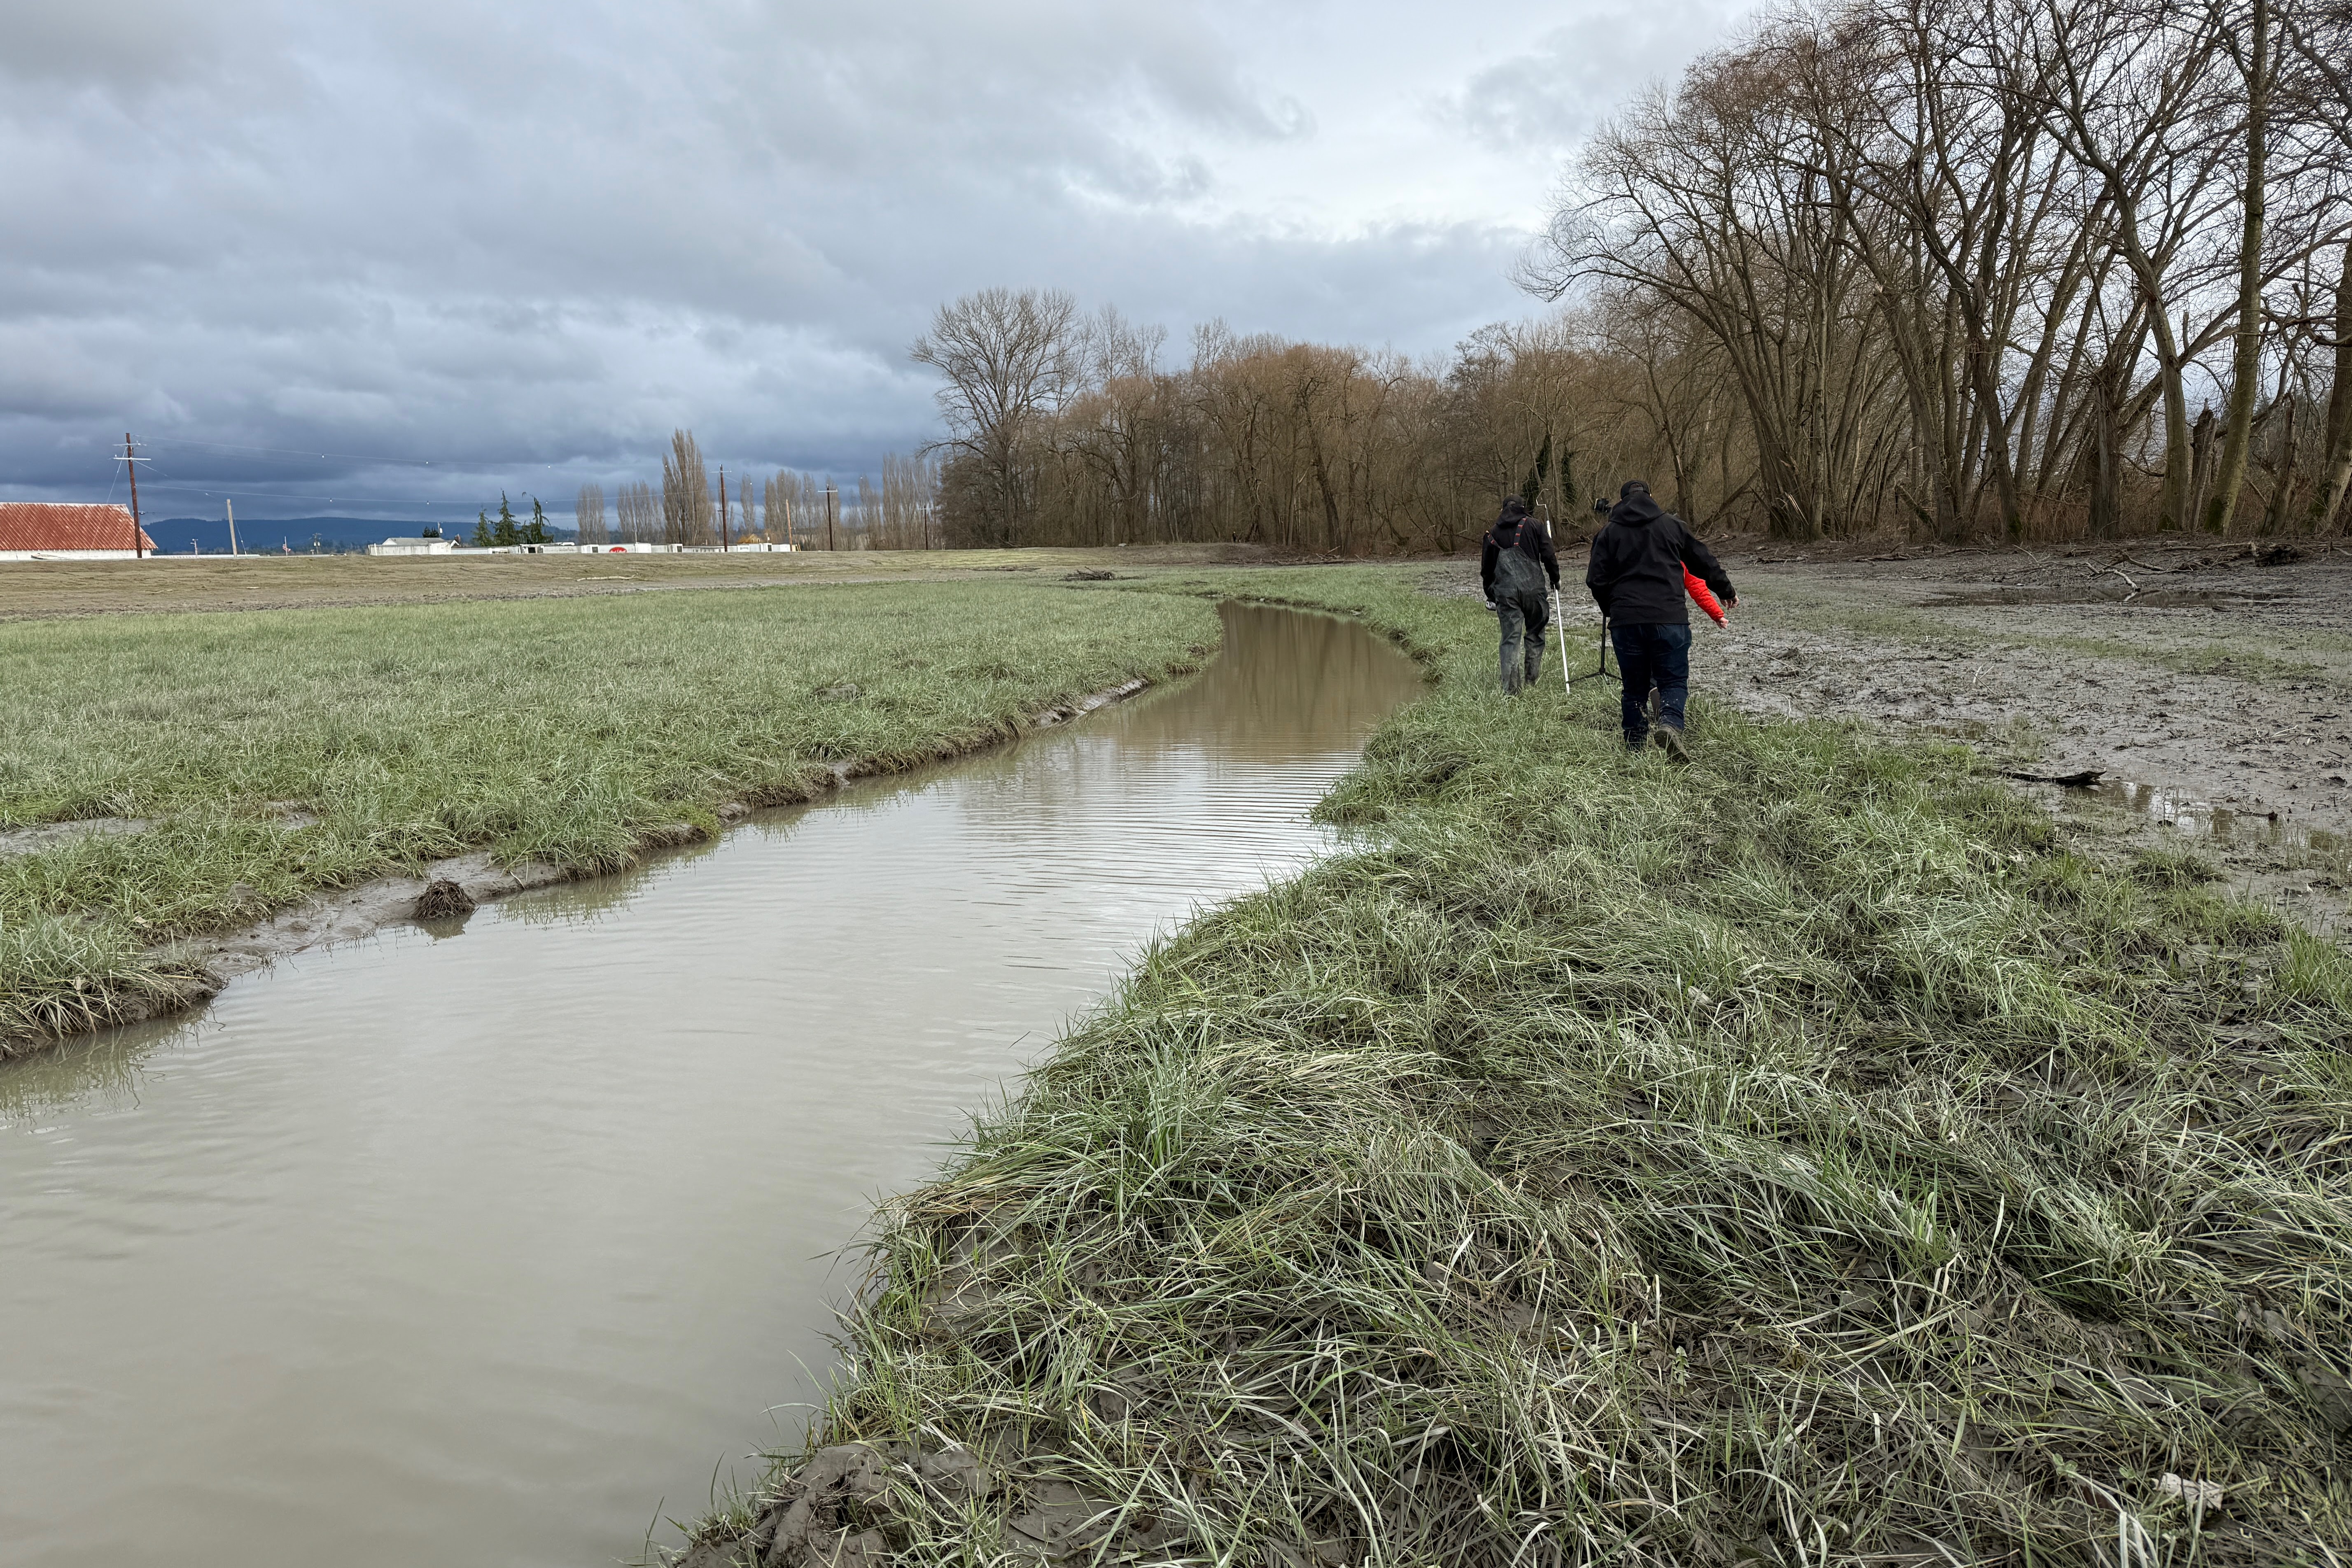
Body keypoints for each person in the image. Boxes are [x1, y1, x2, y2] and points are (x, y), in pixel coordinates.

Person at [1585, 480, 1736, 757]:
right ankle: (1669, 723)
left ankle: (1634, 751)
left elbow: (1595, 580)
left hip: (1626, 621)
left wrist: (1612, 608)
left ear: (1621, 501)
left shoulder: (1608, 532)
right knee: (1674, 681)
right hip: (1670, 618)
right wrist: (1725, 590)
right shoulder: (1672, 525)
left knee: (1634, 688)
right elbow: (1703, 559)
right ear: (1651, 497)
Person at [1480, 496, 1560, 694]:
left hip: (1506, 594)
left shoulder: (1492, 533)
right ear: (1524, 508)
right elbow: (1549, 554)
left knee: (1510, 639)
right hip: (1534, 591)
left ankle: (1512, 691)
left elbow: (1487, 571)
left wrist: (1491, 596)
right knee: (1535, 632)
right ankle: (1531, 682)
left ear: (1503, 508)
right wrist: (1555, 578)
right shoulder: (1535, 525)